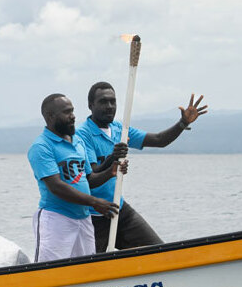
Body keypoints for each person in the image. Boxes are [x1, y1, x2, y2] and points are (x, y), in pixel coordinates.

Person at [75, 82, 208, 252]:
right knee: (94, 270)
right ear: (90, 105)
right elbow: (92, 174)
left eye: (113, 101)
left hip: (118, 208)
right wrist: (112, 158)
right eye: (103, 102)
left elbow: (159, 140)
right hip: (94, 216)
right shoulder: (82, 135)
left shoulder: (119, 129)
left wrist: (182, 123)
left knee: (159, 252)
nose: (109, 106)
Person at [28, 94, 120, 262]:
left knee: (87, 270)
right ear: (50, 117)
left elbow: (89, 178)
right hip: (57, 219)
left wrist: (110, 172)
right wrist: (95, 202)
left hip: (83, 219)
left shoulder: (77, 141)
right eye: (67, 112)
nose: (73, 116)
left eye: (72, 111)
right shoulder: (41, 147)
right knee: (50, 272)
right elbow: (56, 186)